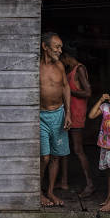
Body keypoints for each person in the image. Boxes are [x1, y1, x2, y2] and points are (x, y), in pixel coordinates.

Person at [39, 32, 71, 206]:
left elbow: (66, 87)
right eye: (57, 47)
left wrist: (68, 113)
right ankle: (38, 191)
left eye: (61, 47)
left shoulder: (59, 66)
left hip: (58, 114)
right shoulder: (36, 67)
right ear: (45, 47)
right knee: (44, 157)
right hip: (41, 116)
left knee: (56, 157)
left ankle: (50, 191)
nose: (60, 50)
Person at [57, 52, 94, 198]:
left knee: (78, 150)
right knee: (64, 148)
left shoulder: (79, 69)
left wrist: (68, 91)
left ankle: (90, 184)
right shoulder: (70, 70)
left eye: (62, 59)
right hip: (68, 114)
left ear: (66, 56)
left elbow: (88, 92)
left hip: (77, 114)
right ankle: (64, 181)